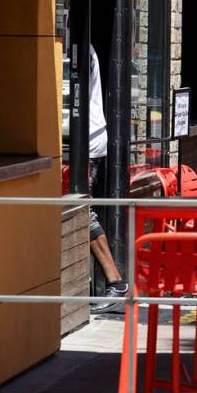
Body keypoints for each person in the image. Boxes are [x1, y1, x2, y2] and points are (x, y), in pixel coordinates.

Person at [87, 44, 129, 313]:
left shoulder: (80, 48)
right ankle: (116, 282)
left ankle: (115, 281)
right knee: (81, 208)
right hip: (89, 138)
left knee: (81, 209)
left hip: (86, 141)